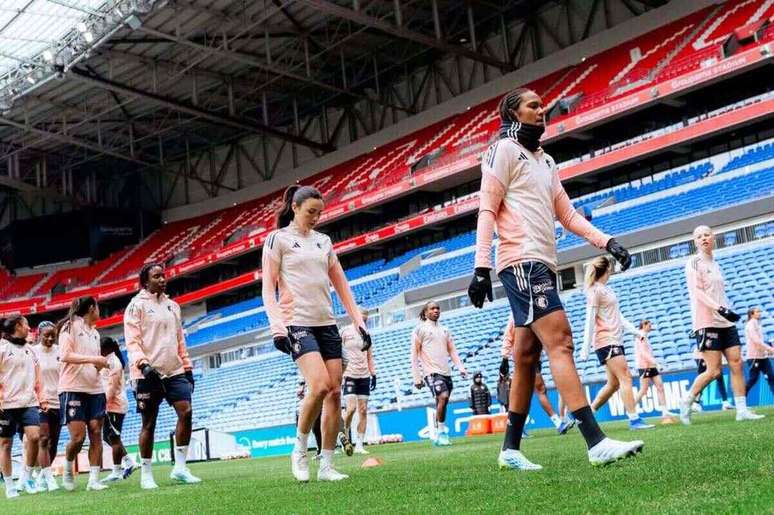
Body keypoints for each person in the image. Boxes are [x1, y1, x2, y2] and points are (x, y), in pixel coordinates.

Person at [468, 87, 644, 470]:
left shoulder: (546, 160)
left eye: (542, 104)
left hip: (543, 263)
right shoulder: (503, 150)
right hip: (522, 261)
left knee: (526, 357)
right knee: (561, 341)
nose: (542, 109)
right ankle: (595, 442)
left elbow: (567, 215)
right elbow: (487, 209)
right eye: (533, 105)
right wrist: (481, 268)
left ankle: (510, 449)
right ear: (513, 113)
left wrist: (607, 241)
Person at [262, 185, 371, 482]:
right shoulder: (277, 239)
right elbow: (268, 289)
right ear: (295, 208)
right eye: (311, 212)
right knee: (320, 386)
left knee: (335, 392)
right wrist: (277, 328)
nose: (315, 218)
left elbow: (342, 285)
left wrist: (359, 323)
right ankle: (299, 450)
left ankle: (326, 465)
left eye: (320, 213)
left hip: (327, 324)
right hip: (297, 322)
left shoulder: (324, 241)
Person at [678, 226, 764, 424]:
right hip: (706, 322)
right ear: (695, 242)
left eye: (707, 235)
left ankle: (742, 410)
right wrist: (720, 308)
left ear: (713, 237)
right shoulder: (693, 262)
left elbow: (718, 293)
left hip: (725, 322)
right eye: (699, 236)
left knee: (737, 362)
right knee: (714, 371)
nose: (703, 238)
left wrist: (727, 310)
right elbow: (697, 292)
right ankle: (687, 400)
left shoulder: (715, 264)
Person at [125, 263, 199, 489]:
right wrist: (143, 364)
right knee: (149, 423)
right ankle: (146, 474)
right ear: (145, 282)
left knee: (186, 412)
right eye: (157, 276)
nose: (162, 279)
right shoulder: (135, 306)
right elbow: (132, 341)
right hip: (147, 373)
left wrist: (187, 367)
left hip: (174, 370)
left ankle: (180, 468)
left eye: (163, 275)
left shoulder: (172, 306)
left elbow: (180, 339)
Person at [580, 257, 655, 431]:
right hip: (606, 341)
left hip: (615, 340)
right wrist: (585, 348)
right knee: (626, 377)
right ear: (607, 268)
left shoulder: (607, 290)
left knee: (613, 384)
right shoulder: (594, 291)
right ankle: (634, 420)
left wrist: (637, 332)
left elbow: (619, 317)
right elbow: (590, 319)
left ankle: (585, 415)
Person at [57, 297, 110, 492]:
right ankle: (68, 468)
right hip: (73, 388)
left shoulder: (95, 333)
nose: (99, 312)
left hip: (95, 388)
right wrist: (94, 359)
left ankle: (94, 480)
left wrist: (101, 365)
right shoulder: (69, 327)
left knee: (96, 432)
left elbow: (93, 363)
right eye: (98, 308)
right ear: (91, 308)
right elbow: (65, 355)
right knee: (78, 437)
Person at [500, 316, 575, 434]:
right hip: (528, 358)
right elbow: (508, 336)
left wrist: (505, 358)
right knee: (540, 390)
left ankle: (516, 428)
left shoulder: (526, 313)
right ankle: (558, 422)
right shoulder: (517, 315)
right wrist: (505, 358)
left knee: (524, 394)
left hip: (532, 358)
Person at [410, 301, 468, 446]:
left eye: (437, 308)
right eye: (432, 308)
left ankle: (437, 435)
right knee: (443, 396)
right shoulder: (420, 330)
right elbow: (414, 355)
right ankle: (442, 433)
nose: (436, 310)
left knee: (442, 402)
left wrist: (460, 367)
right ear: (425, 312)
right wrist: (417, 377)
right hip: (431, 373)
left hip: (446, 372)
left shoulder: (445, 330)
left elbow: (452, 350)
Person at [0, 316, 44, 498]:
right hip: (6, 404)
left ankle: (25, 478)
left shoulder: (30, 350)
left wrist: (41, 396)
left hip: (29, 402)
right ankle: (10, 485)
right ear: (18, 326)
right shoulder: (2, 348)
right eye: (26, 324)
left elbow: (38, 375)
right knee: (5, 444)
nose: (29, 328)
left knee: (34, 437)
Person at [99, 337, 137, 482]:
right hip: (110, 405)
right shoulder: (106, 361)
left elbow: (113, 388)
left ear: (106, 349)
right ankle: (129, 461)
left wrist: (103, 404)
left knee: (114, 438)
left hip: (115, 405)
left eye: (100, 348)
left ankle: (116, 470)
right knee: (107, 437)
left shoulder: (114, 363)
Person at [341, 307, 376, 455]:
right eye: (362, 318)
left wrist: (373, 374)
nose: (364, 321)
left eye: (366, 319)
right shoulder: (344, 332)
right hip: (349, 374)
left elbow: (369, 356)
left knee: (363, 410)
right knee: (351, 409)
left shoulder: (367, 334)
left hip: (364, 376)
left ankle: (360, 445)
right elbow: (337, 352)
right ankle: (344, 438)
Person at [33, 321, 61, 492]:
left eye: (53, 335)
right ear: (39, 334)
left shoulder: (60, 351)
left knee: (54, 444)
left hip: (59, 402)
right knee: (43, 439)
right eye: (46, 335)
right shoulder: (33, 352)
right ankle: (50, 479)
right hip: (40, 402)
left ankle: (42, 477)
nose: (50, 338)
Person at [632, 320, 677, 424]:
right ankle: (631, 409)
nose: (651, 327)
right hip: (645, 366)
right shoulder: (641, 336)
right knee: (643, 390)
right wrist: (656, 363)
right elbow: (643, 353)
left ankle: (665, 412)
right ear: (643, 326)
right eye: (649, 325)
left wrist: (654, 364)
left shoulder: (645, 336)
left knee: (660, 387)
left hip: (651, 366)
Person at [744, 307, 773, 396]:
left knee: (771, 376)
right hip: (754, 357)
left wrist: (766, 351)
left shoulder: (758, 324)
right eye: (757, 312)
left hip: (763, 357)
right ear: (751, 314)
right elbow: (756, 341)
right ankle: (741, 397)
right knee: (753, 379)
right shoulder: (750, 325)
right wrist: (770, 349)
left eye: (760, 311)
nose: (759, 313)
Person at [693, 344, 732, 411]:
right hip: (702, 355)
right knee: (703, 380)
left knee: (719, 376)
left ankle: (725, 402)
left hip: (713, 354)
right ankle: (695, 403)